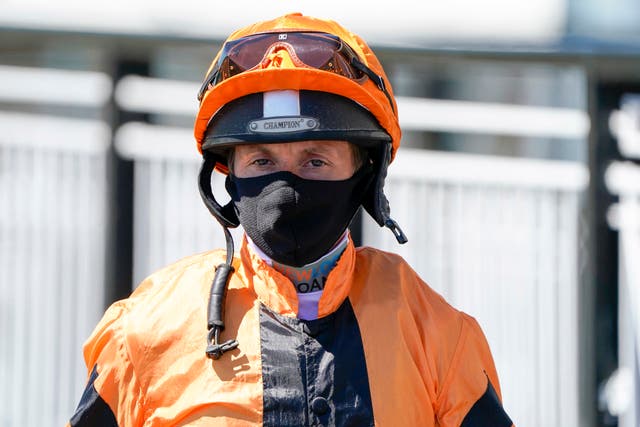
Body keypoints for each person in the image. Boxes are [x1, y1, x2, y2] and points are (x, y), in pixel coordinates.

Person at [68, 13, 513, 427]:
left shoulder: (437, 336)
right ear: (228, 173)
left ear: (365, 175)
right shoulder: (143, 332)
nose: (287, 187)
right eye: (262, 161)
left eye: (315, 160)